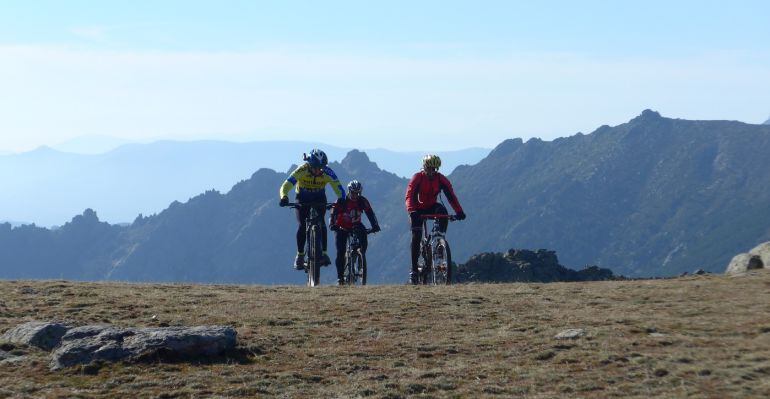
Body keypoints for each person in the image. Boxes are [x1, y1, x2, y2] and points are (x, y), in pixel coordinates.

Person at [404, 154, 466, 284]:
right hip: (417, 208)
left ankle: (439, 240)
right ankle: (414, 271)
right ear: (424, 167)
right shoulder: (417, 178)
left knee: (443, 212)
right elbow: (409, 196)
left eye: (434, 169)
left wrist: (459, 212)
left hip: (432, 206)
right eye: (429, 168)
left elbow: (451, 197)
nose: (431, 171)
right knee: (416, 235)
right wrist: (411, 211)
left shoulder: (441, 179)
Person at [279, 149, 345, 270]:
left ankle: (324, 254)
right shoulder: (302, 170)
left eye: (321, 167)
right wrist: (284, 197)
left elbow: (338, 187)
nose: (319, 170)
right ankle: (299, 256)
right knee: (302, 225)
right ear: (309, 164)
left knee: (322, 224)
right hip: (302, 197)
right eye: (315, 167)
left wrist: (342, 199)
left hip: (319, 197)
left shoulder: (327, 171)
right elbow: (286, 185)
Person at [330, 180, 381, 285]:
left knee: (363, 239)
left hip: (356, 225)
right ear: (349, 191)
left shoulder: (362, 201)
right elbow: (333, 213)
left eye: (357, 193)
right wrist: (332, 224)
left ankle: (360, 258)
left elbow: (370, 213)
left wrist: (375, 225)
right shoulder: (342, 200)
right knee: (340, 251)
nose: (355, 195)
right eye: (353, 192)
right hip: (341, 227)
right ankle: (340, 278)